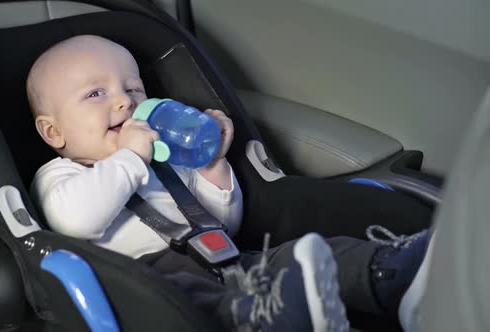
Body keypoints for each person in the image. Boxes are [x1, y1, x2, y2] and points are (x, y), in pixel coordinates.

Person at [27, 34, 431, 331]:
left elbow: (221, 221)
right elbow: (78, 221)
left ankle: (391, 271)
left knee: (305, 255)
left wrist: (213, 167)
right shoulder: (62, 175)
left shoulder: (161, 162)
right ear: (53, 133)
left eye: (132, 88)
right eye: (96, 93)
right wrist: (130, 157)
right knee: (201, 301)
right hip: (152, 281)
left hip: (232, 260)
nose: (124, 101)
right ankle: (269, 317)